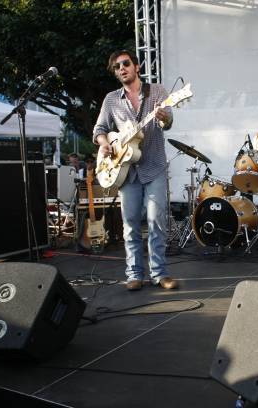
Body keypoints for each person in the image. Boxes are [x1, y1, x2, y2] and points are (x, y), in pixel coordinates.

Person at [93, 49, 177, 291]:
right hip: (126, 170)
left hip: (154, 167)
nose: (121, 68)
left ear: (137, 66)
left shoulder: (158, 92)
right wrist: (105, 143)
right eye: (117, 67)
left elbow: (167, 122)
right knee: (129, 224)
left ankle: (159, 274)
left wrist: (163, 117)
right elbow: (99, 129)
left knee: (156, 220)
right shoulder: (111, 100)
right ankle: (134, 274)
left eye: (125, 63)